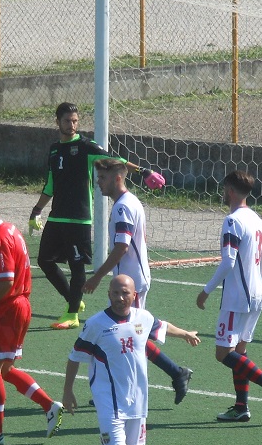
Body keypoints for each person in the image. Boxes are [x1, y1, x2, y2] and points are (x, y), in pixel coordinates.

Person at [63, 274, 200, 445]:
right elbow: (74, 357)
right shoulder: (96, 324)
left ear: (134, 295)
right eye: (115, 293)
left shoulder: (142, 318)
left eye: (125, 293)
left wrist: (185, 334)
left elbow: (162, 326)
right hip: (108, 401)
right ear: (109, 294)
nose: (120, 298)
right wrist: (67, 391)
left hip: (137, 401)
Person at [29, 102, 166, 331]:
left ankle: (71, 314)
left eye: (75, 121)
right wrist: (37, 209)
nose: (72, 125)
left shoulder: (85, 147)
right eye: (67, 121)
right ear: (57, 122)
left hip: (79, 217)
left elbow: (116, 162)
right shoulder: (54, 149)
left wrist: (143, 171)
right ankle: (74, 301)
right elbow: (50, 184)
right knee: (44, 260)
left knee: (76, 266)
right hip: (57, 216)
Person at [83, 159, 194, 404]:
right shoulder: (129, 201)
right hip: (132, 279)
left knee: (132, 334)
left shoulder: (123, 207)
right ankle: (172, 374)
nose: (98, 183)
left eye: (102, 178)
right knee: (132, 334)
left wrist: (98, 276)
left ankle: (172, 374)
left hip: (130, 283)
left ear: (117, 178)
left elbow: (122, 246)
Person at [0, 193, 63, 445]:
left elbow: (6, 280)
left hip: (8, 309)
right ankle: (49, 406)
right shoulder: (11, 230)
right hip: (20, 306)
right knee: (6, 369)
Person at [196, 170, 262, 422]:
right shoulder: (257, 220)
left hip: (238, 297)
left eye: (224, 189)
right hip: (257, 295)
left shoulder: (233, 221)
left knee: (223, 353)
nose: (223, 193)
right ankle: (241, 406)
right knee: (239, 352)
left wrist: (206, 291)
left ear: (230, 191)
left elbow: (228, 261)